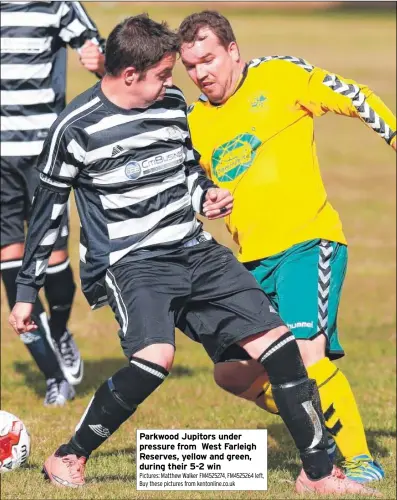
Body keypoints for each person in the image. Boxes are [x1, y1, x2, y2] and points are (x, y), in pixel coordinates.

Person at [8, 15, 379, 496]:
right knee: (154, 360)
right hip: (132, 263)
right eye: (164, 74)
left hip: (196, 250)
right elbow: (46, 214)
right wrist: (24, 292)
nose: (174, 83)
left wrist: (204, 197)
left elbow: (187, 171)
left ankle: (319, 474)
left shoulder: (171, 106)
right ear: (129, 75)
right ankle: (69, 455)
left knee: (281, 345)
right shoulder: (74, 129)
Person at [179, 10, 396, 485]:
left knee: (305, 352)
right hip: (251, 263)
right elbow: (188, 184)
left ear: (233, 50)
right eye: (191, 66)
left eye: (209, 59)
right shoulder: (193, 120)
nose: (202, 73)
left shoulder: (279, 74)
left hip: (308, 242)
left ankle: (360, 460)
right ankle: (318, 425)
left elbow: (353, 96)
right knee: (233, 373)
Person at [1, 1, 105, 405]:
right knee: (11, 265)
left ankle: (59, 329)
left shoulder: (57, 6)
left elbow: (101, 58)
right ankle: (53, 376)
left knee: (55, 264)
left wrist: (96, 59)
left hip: (45, 158)